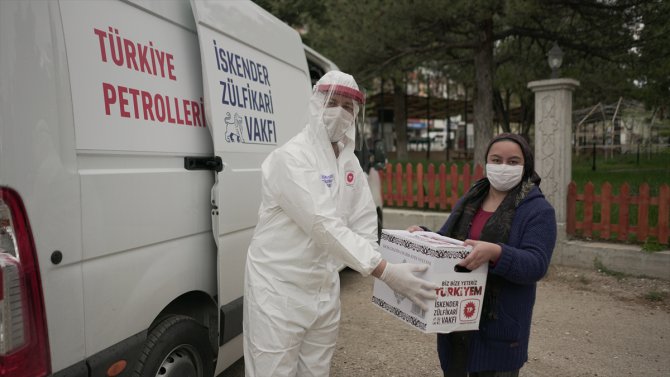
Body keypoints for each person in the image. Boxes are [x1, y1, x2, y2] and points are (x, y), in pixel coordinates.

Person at [243, 70, 437, 377]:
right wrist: (384, 271)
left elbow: (362, 223)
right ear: (316, 103)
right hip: (278, 290)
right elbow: (323, 224)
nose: (341, 112)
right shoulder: (291, 158)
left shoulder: (350, 162)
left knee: (316, 371)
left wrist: (395, 254)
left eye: (349, 107)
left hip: (324, 289)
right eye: (333, 102)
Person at [407, 133, 557, 377]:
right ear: (486, 162)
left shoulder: (538, 211)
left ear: (526, 166)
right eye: (496, 160)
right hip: (455, 321)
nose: (503, 167)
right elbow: (449, 241)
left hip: (499, 329)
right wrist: (423, 235)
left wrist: (497, 253)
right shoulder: (470, 200)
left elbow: (537, 264)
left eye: (513, 162)